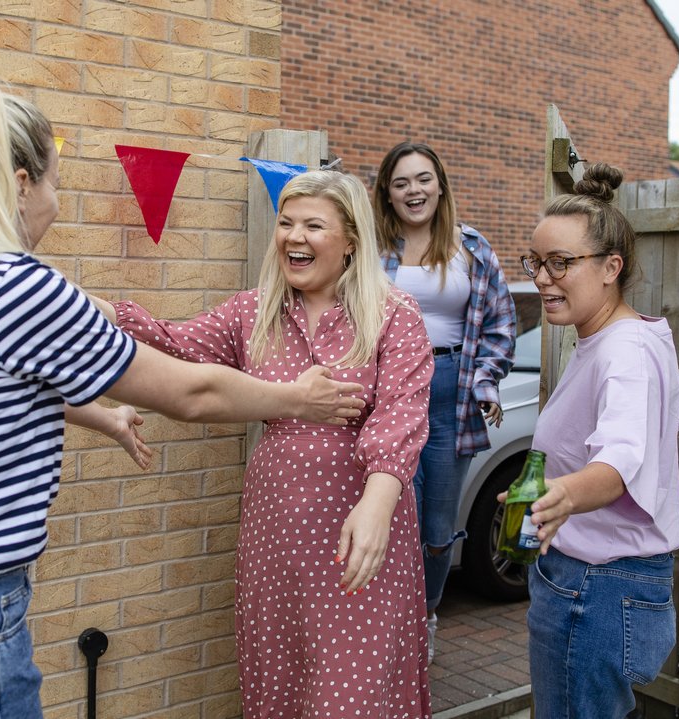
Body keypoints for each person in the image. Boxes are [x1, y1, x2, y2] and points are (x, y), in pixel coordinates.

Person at [0, 63, 366, 719]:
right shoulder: (15, 287)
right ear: (20, 185)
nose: (57, 201)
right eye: (56, 182)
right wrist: (297, 398)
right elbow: (192, 393)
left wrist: (99, 415)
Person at [89, 170, 435, 718]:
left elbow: (402, 413)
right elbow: (172, 342)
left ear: (350, 240)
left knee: (352, 694)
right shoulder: (252, 312)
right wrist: (81, 307)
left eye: (313, 225)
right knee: (282, 682)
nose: (294, 237)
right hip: (275, 537)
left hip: (361, 531)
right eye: (286, 223)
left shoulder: (393, 315)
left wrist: (379, 500)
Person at [518, 163, 679, 718]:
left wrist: (564, 497)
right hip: (603, 585)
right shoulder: (627, 338)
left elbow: (620, 458)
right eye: (537, 262)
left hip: (596, 592)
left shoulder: (623, 353)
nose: (543, 277)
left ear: (610, 267)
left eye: (561, 263)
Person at [372, 142, 516, 660]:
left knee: (436, 528)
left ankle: (425, 615)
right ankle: (389, 622)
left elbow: (501, 323)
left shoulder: (471, 247)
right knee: (389, 515)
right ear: (387, 194)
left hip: (452, 389)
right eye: (401, 182)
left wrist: (486, 380)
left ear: (441, 185)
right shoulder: (369, 248)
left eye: (423, 179)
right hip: (390, 389)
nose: (414, 190)